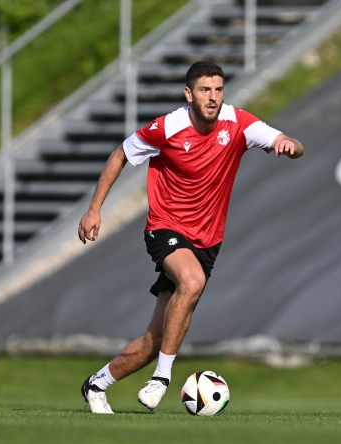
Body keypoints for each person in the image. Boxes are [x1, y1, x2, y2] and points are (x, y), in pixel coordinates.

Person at [78, 61, 305, 414]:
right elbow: (121, 154)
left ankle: (97, 384)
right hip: (165, 227)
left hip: (207, 242)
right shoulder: (167, 127)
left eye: (218, 89)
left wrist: (289, 144)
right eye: (204, 90)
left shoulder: (238, 122)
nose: (213, 97)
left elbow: (288, 142)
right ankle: (161, 379)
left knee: (157, 338)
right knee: (192, 281)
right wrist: (94, 209)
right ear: (189, 94)